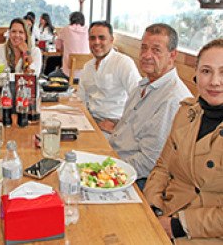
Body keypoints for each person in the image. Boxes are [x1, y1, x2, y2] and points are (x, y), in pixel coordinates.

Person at [143, 39, 223, 243]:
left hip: (205, 232)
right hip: (166, 212)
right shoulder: (186, 112)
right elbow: (162, 167)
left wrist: (178, 226)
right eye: (206, 71)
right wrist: (154, 206)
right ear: (195, 73)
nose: (214, 81)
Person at [108, 23, 192, 190]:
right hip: (114, 158)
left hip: (135, 179)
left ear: (172, 55)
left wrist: (105, 169)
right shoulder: (142, 85)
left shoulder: (173, 99)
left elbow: (148, 162)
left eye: (156, 50)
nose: (146, 55)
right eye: (144, 48)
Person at [77, 21, 141, 138]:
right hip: (90, 120)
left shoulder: (123, 63)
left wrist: (120, 127)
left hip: (112, 124)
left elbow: (139, 99)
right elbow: (81, 99)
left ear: (111, 40)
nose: (96, 42)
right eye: (92, 38)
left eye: (102, 38)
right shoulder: (88, 67)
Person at [47, 11, 90, 79]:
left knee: (50, 76)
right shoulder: (87, 30)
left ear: (70, 20)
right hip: (85, 74)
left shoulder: (66, 29)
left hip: (68, 74)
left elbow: (58, 47)